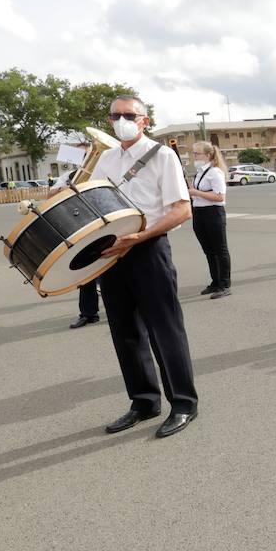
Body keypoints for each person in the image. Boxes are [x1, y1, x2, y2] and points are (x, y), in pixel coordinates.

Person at [93, 95, 199, 438]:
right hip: (112, 252)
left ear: (144, 120)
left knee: (164, 329)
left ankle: (183, 403)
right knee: (124, 332)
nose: (121, 120)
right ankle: (143, 401)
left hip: (148, 248)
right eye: (115, 115)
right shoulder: (106, 158)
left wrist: (140, 238)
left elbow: (182, 209)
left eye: (129, 114)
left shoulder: (162, 155)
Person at [49, 158, 106, 330]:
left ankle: (122, 310)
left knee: (112, 267)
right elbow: (49, 195)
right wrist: (67, 188)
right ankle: (88, 314)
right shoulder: (69, 176)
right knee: (84, 269)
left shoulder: (105, 170)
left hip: (103, 222)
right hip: (79, 225)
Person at [188, 141, 231, 298]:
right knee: (208, 251)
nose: (194, 156)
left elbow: (220, 197)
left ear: (207, 155)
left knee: (220, 250)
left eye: (197, 153)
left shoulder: (215, 172)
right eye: (194, 153)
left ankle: (225, 284)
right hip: (199, 213)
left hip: (213, 213)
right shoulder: (199, 173)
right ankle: (215, 282)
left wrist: (195, 193)